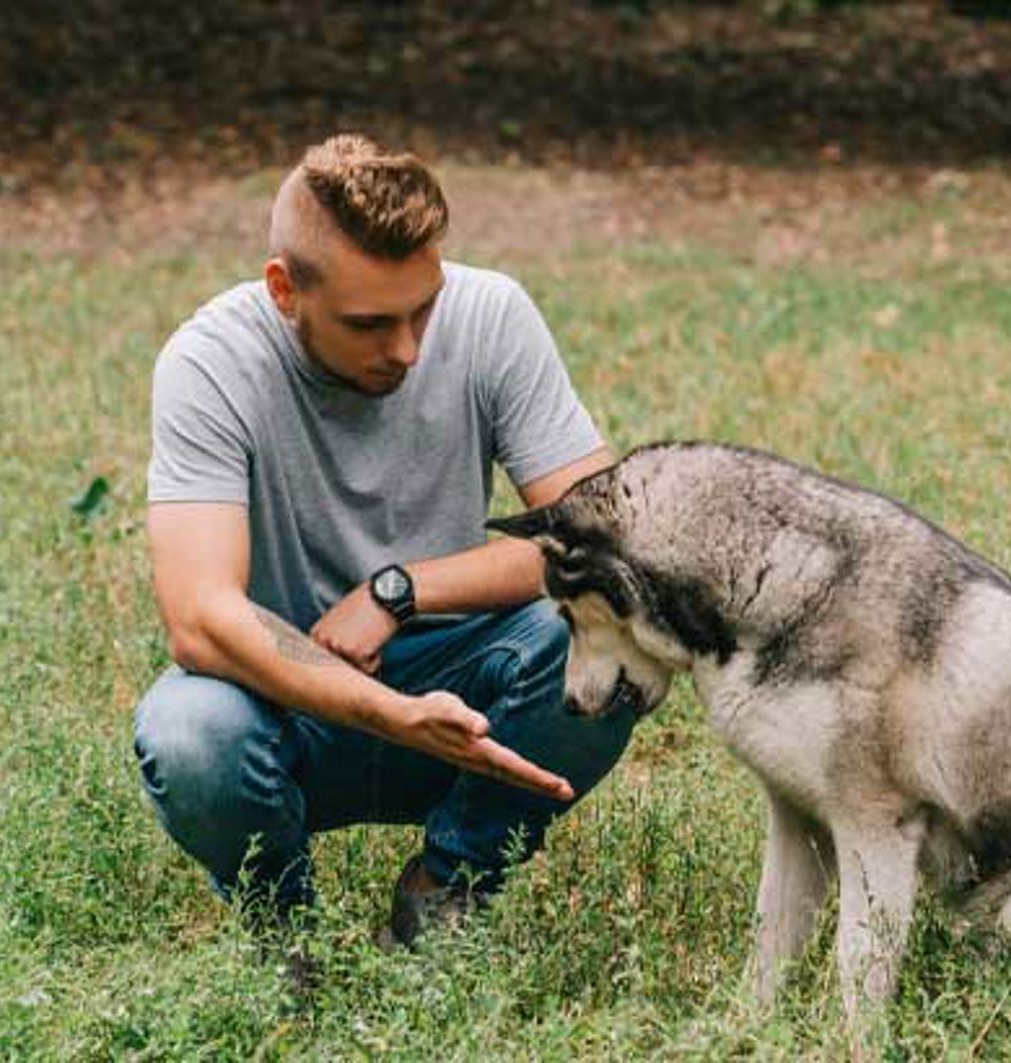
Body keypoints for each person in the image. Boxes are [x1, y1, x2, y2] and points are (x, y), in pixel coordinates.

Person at [132, 133, 636, 948]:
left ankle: (444, 890)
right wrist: (389, 711)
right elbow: (200, 616)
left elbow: (605, 542)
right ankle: (282, 935)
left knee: (604, 631)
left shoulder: (492, 314)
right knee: (190, 733)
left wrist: (398, 591)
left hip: (465, 692)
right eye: (368, 323)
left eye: (422, 308)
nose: (407, 348)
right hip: (286, 703)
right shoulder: (210, 360)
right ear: (284, 290)